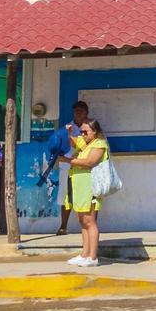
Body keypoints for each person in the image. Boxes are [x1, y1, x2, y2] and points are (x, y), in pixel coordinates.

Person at [60, 118, 110, 267]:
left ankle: (93, 257)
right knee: (83, 222)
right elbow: (73, 141)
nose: (82, 134)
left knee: (90, 221)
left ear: (95, 132)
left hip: (90, 188)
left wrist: (68, 161)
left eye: (85, 132)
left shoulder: (99, 144)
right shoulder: (85, 142)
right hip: (79, 187)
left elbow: (89, 162)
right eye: (81, 132)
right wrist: (68, 133)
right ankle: (85, 254)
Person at [52, 100, 91, 235]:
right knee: (65, 195)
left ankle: (87, 226)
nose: (78, 113)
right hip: (67, 165)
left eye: (81, 111)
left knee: (85, 196)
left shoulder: (90, 128)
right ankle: (63, 226)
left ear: (86, 112)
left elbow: (85, 144)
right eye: (76, 111)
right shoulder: (67, 127)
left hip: (84, 165)